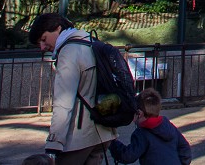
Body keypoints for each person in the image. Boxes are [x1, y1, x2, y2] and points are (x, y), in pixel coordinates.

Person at [28, 13, 117, 165]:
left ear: (58, 29)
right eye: (39, 44)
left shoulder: (68, 53)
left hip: (79, 137)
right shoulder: (90, 41)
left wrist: (54, 143)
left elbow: (64, 102)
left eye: (43, 39)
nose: (42, 47)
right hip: (103, 131)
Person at [110, 88, 193, 165]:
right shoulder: (167, 125)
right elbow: (185, 148)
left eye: (133, 113)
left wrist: (112, 143)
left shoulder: (142, 133)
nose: (132, 119)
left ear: (139, 113)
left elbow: (128, 156)